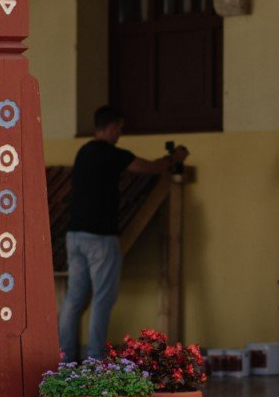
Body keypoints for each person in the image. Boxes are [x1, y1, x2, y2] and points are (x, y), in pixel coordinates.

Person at [59, 106, 187, 362]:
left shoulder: (83, 152)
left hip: (74, 235)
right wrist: (174, 158)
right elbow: (149, 167)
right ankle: (95, 359)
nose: (120, 132)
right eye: (120, 127)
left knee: (74, 299)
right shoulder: (111, 153)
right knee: (102, 299)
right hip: (100, 237)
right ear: (111, 126)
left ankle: (66, 358)